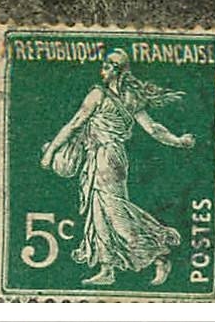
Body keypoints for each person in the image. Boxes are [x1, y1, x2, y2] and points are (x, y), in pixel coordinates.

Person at [40, 49, 195, 286]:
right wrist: (178, 140)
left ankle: (159, 252)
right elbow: (153, 128)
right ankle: (107, 269)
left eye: (106, 66)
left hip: (106, 158)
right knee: (99, 213)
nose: (102, 70)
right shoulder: (130, 98)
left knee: (114, 212)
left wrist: (50, 152)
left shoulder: (98, 95)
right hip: (105, 157)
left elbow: (74, 124)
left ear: (116, 70)